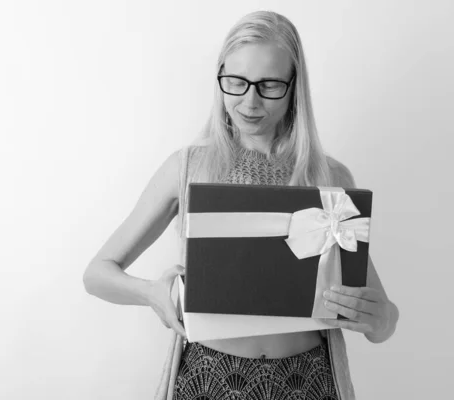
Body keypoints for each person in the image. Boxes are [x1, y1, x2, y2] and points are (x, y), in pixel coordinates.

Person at [83, 10, 399, 400]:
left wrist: (379, 319)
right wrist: (151, 293)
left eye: (268, 85)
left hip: (308, 383)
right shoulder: (186, 167)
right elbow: (97, 274)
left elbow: (382, 318)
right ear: (219, 77)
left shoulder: (330, 177)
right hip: (209, 381)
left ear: (294, 86)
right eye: (236, 82)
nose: (249, 102)